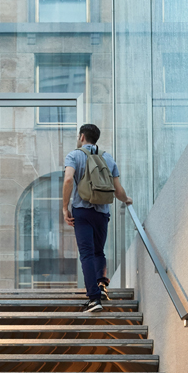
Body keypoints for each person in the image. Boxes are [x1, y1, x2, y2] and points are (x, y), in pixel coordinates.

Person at [62, 124, 131, 313]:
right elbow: (118, 190)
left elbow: (68, 180)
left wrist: (64, 207)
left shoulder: (74, 155)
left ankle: (94, 299)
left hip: (82, 211)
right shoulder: (107, 158)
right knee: (99, 251)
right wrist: (127, 199)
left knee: (86, 253)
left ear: (82, 136)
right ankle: (101, 285)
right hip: (102, 212)